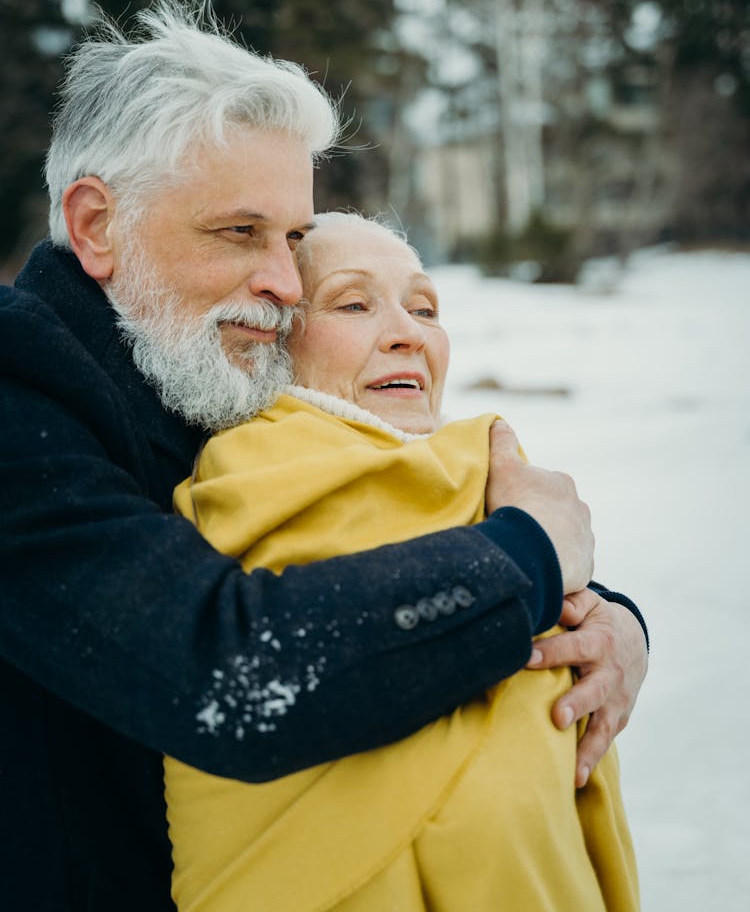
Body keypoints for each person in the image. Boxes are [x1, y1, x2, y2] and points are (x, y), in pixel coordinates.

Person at [0, 0, 647, 912]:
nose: (280, 280)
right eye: (240, 232)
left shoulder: (202, 362)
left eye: (295, 239)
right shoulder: (19, 393)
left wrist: (602, 618)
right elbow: (223, 669)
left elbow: (385, 524)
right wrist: (531, 558)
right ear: (98, 224)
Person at [166, 212, 639, 911]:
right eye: (353, 303)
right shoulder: (244, 482)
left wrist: (617, 620)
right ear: (271, 341)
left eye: (424, 307)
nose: (408, 333)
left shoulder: (490, 478)